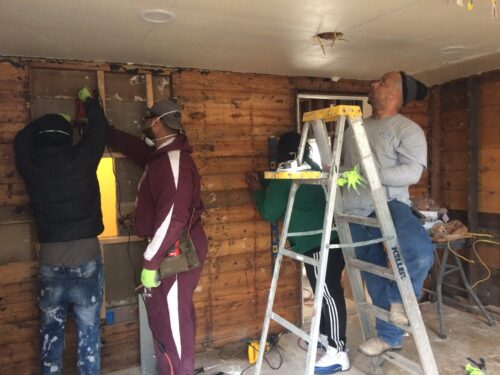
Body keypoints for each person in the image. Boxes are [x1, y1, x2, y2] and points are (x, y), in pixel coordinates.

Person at [107, 99, 207, 375]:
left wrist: (150, 262)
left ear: (158, 122)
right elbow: (139, 151)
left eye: (149, 119)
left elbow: (174, 216)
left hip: (175, 251)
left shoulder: (173, 162)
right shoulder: (162, 155)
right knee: (169, 319)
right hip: (168, 248)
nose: (146, 124)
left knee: (173, 325)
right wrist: (107, 132)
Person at [14, 87, 107, 375]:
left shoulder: (32, 167)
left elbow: (20, 140)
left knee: (50, 335)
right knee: (88, 332)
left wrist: (51, 121)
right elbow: (99, 130)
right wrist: (88, 101)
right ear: (68, 138)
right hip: (87, 261)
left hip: (50, 266)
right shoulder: (82, 158)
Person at [341, 71, 434, 356]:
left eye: (380, 82)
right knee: (374, 275)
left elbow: (412, 172)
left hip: (390, 204)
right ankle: (390, 336)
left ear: (394, 94)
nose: (372, 84)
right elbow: (347, 168)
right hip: (355, 209)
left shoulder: (407, 130)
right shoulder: (353, 129)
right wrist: (344, 178)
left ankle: (400, 302)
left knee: (420, 251)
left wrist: (373, 175)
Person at [246, 132, 349, 374]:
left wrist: (256, 191)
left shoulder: (285, 176)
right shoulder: (313, 168)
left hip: (315, 244)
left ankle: (338, 352)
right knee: (325, 291)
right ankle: (326, 337)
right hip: (333, 238)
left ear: (282, 154)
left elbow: (270, 212)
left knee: (329, 294)